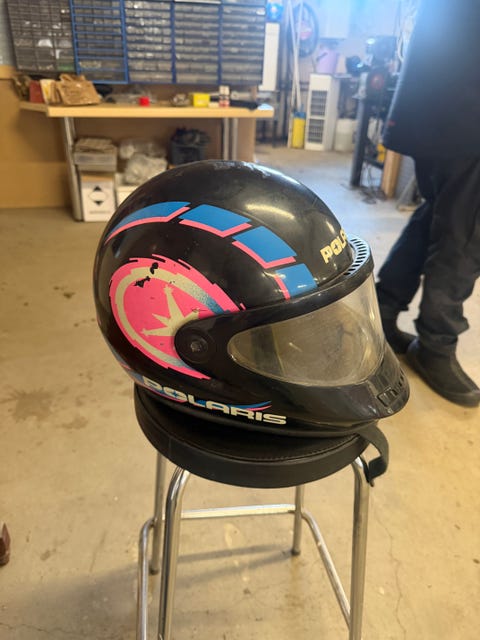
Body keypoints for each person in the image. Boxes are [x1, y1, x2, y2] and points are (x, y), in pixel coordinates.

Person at [376, 0, 480, 407]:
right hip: (467, 107)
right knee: (465, 234)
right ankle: (436, 344)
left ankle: (382, 313)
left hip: (437, 100)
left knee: (437, 213)